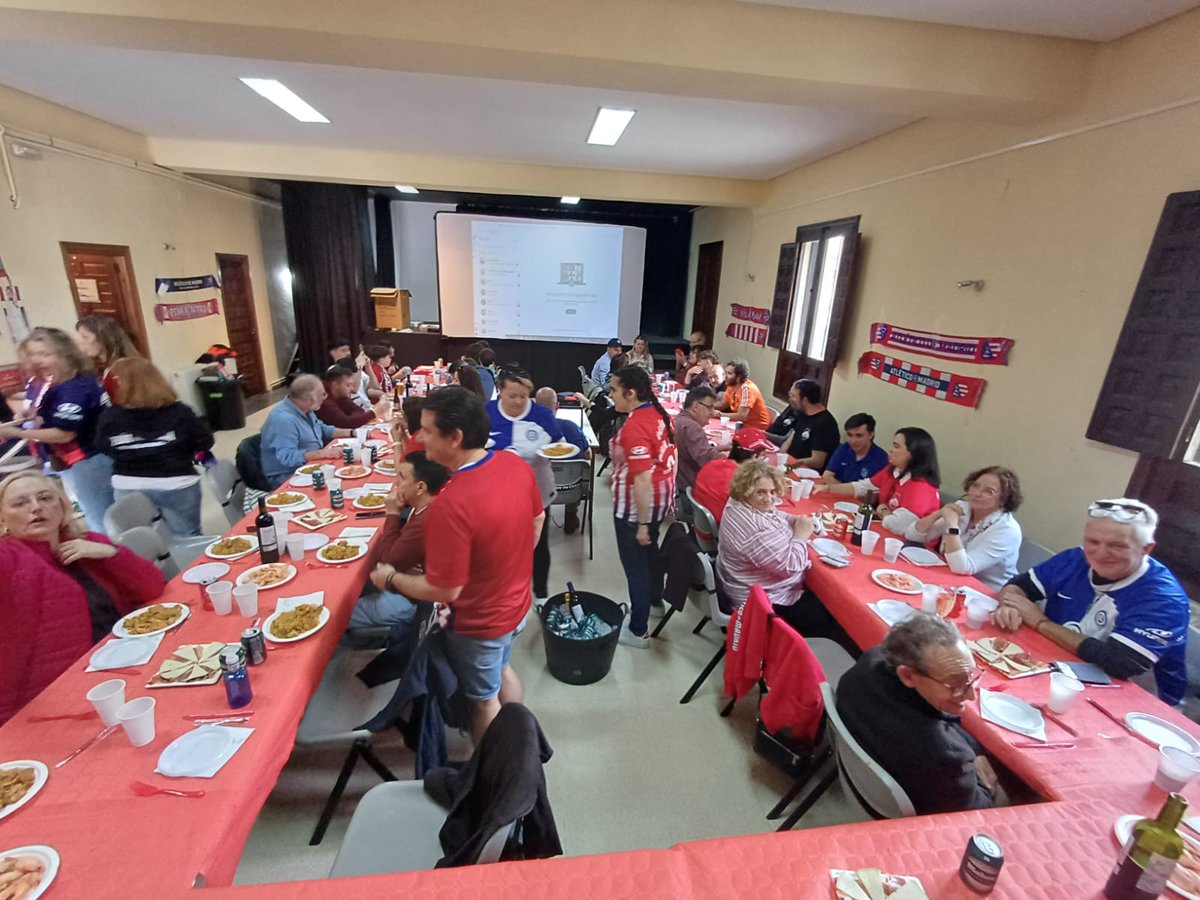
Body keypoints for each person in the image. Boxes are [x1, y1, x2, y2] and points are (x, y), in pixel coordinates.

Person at [387, 386, 543, 744]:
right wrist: (509, 567)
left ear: (455, 437)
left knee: (483, 702)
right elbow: (538, 518)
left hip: (480, 622)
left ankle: (491, 767)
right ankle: (516, 738)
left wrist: (393, 577)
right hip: (518, 603)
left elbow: (444, 590)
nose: (419, 437)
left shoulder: (449, 504)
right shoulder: (513, 464)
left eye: (427, 430)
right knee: (503, 668)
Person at [0, 471, 165, 725]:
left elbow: (153, 587)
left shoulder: (86, 542)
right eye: (20, 503)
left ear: (62, 505)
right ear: (2, 518)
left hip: (130, 663)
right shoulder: (9, 558)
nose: (36, 508)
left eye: (45, 498)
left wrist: (111, 554)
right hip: (58, 700)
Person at [993, 498, 1189, 705]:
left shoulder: (1163, 599)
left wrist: (1040, 623)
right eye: (1093, 542)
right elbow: (1018, 585)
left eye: (1117, 546)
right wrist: (1009, 605)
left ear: (1146, 549)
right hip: (1062, 668)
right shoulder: (1076, 558)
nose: (1101, 553)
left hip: (1139, 701)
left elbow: (1118, 663)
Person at [836, 614, 997, 815]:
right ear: (908, 675)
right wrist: (976, 772)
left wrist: (974, 749)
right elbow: (977, 811)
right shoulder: (945, 758)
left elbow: (940, 717)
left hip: (859, 775)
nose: (971, 695)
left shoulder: (871, 661)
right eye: (955, 685)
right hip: (898, 813)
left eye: (971, 678)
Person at [0, 328, 114, 531]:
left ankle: (113, 555)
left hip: (90, 456)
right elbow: (34, 406)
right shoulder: (39, 379)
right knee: (78, 507)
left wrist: (17, 433)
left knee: (100, 516)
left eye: (45, 354)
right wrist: (24, 416)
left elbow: (64, 433)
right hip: (60, 458)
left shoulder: (76, 385)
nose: (38, 360)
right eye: (32, 354)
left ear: (64, 354)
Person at [93, 358, 214, 536]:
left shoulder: (109, 417)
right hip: (176, 483)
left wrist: (131, 453)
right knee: (188, 537)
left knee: (140, 541)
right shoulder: (179, 412)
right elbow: (205, 441)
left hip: (128, 485)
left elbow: (102, 446)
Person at [608, 365, 677, 648]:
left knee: (635, 566)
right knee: (650, 556)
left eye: (614, 390)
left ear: (631, 393)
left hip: (637, 507)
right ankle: (653, 600)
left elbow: (642, 479)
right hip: (660, 499)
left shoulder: (636, 426)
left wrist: (642, 523)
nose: (610, 395)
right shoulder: (659, 413)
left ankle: (637, 630)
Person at [487, 369, 565, 605]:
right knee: (499, 547)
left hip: (537, 494)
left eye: (523, 396)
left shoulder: (541, 415)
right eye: (512, 395)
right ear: (500, 392)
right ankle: (502, 594)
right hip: (496, 497)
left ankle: (540, 594)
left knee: (538, 547)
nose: (518, 401)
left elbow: (559, 445)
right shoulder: (486, 413)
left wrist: (550, 454)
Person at [716, 459, 817, 626]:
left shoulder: (738, 502)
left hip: (738, 583)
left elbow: (773, 514)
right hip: (762, 603)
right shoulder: (757, 530)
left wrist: (794, 520)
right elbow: (791, 567)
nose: (769, 499)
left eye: (772, 492)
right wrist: (801, 534)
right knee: (829, 616)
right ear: (746, 491)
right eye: (761, 492)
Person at [357, 451, 451, 630]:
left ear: (420, 487)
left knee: (344, 611)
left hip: (417, 602)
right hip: (413, 583)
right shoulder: (427, 505)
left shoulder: (426, 519)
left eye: (402, 477)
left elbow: (386, 561)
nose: (396, 482)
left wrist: (392, 514)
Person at [905, 466, 1023, 590]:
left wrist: (951, 526)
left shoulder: (1007, 531)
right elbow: (912, 535)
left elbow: (963, 567)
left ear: (1003, 500)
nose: (977, 493)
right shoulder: (963, 507)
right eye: (975, 485)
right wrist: (938, 514)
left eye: (988, 491)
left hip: (984, 593)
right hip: (949, 577)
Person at [814, 426, 941, 534]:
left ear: (913, 453)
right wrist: (828, 488)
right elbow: (863, 487)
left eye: (896, 446)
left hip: (910, 546)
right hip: (886, 528)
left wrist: (884, 512)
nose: (891, 450)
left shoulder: (920, 487)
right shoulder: (893, 470)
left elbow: (899, 527)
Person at [260, 375, 355, 488]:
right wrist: (322, 453)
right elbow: (288, 457)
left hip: (313, 465)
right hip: (287, 475)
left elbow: (321, 428)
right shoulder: (283, 420)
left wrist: (351, 432)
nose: (325, 397)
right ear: (310, 398)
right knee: (341, 484)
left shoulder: (306, 409)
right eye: (323, 394)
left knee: (350, 471)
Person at [691, 427, 775, 526]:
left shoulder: (712, 464)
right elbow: (757, 513)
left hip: (701, 526)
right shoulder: (742, 481)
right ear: (754, 457)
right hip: (723, 531)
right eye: (762, 456)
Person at [534, 387, 590, 534]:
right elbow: (588, 455)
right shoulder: (571, 427)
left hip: (538, 491)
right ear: (557, 406)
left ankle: (540, 516)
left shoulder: (528, 432)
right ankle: (571, 514)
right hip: (571, 489)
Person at [774, 379, 840, 472]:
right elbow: (791, 439)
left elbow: (818, 461)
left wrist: (792, 464)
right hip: (789, 466)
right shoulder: (803, 413)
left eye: (793, 396)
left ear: (804, 400)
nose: (790, 399)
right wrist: (780, 457)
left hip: (805, 472)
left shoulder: (825, 424)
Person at [673, 385, 727, 495]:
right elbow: (708, 460)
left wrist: (721, 448)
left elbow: (694, 451)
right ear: (695, 406)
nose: (712, 412)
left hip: (679, 483)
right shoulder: (693, 428)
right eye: (709, 407)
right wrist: (734, 459)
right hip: (690, 489)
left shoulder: (678, 420)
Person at [74, 314, 139, 399]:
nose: (79, 342)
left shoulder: (122, 371)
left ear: (104, 339)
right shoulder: (103, 369)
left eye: (85, 337)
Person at [823, 413, 889, 485]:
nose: (853, 441)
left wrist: (846, 491)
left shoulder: (881, 458)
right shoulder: (843, 449)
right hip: (838, 494)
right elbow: (827, 476)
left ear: (871, 435)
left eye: (859, 436)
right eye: (850, 435)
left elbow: (875, 490)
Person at [316, 365, 386, 430]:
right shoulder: (324, 400)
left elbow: (359, 410)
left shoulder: (341, 395)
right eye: (348, 385)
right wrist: (374, 413)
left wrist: (353, 419)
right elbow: (347, 423)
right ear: (335, 384)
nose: (352, 389)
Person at [716, 359, 772, 429]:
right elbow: (722, 405)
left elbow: (741, 416)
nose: (725, 376)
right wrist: (707, 406)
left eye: (729, 373)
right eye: (725, 372)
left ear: (739, 377)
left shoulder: (747, 389)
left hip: (757, 428)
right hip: (741, 425)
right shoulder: (731, 386)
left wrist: (718, 414)